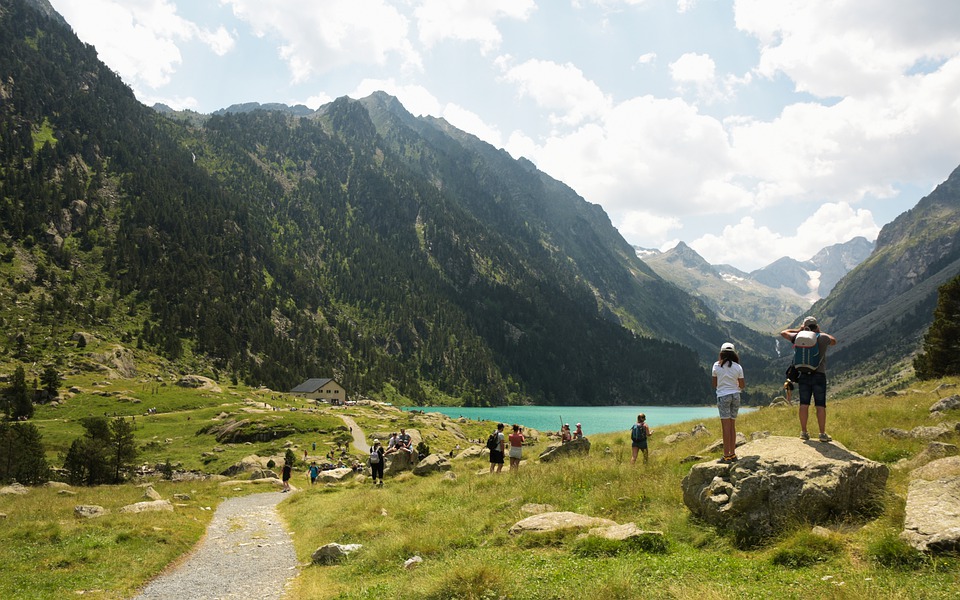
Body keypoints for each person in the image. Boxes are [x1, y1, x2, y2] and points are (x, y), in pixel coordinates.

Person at [781, 316, 837, 442]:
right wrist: (819, 331)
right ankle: (822, 434)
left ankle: (804, 432)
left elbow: (783, 333)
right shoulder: (822, 337)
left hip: (803, 375)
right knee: (820, 405)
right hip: (819, 375)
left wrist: (800, 330)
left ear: (804, 326)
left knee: (804, 404)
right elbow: (834, 341)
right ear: (816, 326)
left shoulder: (798, 337)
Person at [712, 342, 745, 463]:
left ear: (721, 353)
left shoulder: (716, 366)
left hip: (723, 396)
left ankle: (726, 455)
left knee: (725, 427)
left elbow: (715, 384)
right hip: (735, 396)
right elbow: (742, 385)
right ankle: (733, 453)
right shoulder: (738, 367)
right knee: (732, 426)